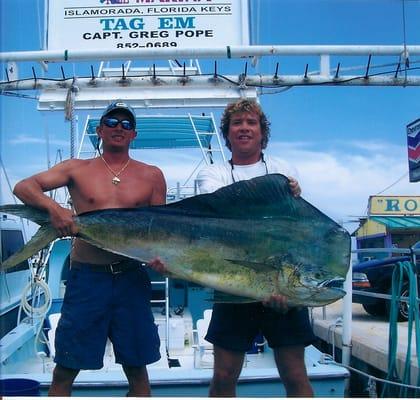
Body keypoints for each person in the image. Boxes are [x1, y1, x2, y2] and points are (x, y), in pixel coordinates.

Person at [13, 101, 167, 397]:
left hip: (131, 278)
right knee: (65, 369)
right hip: (87, 279)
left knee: (138, 369)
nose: (118, 128)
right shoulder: (76, 168)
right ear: (99, 131)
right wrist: (55, 210)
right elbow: (24, 187)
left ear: (134, 134)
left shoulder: (152, 175)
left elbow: (160, 226)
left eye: (125, 124)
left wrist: (161, 259)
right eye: (111, 122)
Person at [196, 99, 316, 397]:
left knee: (295, 374)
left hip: (282, 284)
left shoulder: (283, 169)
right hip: (234, 283)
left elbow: (293, 228)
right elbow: (220, 216)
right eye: (237, 123)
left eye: (251, 123)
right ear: (227, 134)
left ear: (263, 133)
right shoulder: (213, 174)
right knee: (223, 376)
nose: (244, 128)